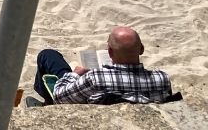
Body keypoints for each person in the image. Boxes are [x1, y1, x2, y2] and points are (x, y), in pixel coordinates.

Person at [34, 26, 173, 105]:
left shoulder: (96, 78)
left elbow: (59, 96)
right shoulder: (162, 79)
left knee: (47, 55)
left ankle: (47, 105)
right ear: (141, 49)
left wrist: (75, 74)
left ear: (110, 52)